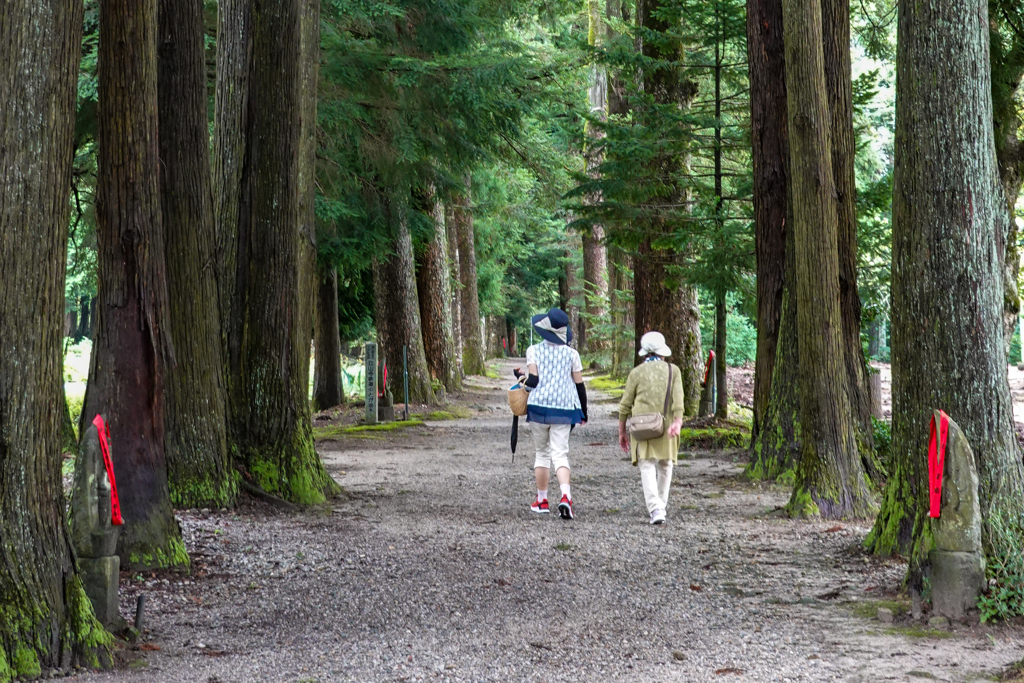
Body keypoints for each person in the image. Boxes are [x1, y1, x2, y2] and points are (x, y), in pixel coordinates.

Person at [513, 308, 587, 520]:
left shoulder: (533, 351)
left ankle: (542, 500)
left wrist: (520, 379)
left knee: (542, 453)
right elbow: (579, 385)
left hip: (538, 408)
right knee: (560, 454)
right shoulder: (572, 354)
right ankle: (565, 497)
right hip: (564, 409)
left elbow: (533, 382)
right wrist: (583, 412)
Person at [617, 331, 684, 525]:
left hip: (641, 427)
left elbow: (625, 405)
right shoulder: (674, 370)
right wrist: (678, 421)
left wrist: (622, 431)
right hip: (666, 424)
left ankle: (655, 508)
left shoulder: (636, 373)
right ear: (662, 351)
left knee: (646, 464)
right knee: (665, 464)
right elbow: (678, 400)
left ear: (644, 352)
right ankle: (660, 506)